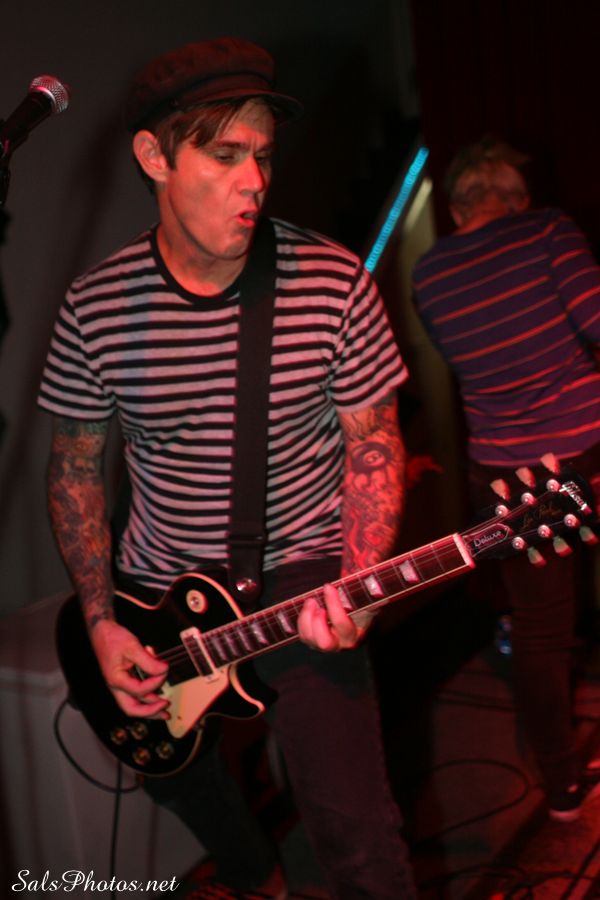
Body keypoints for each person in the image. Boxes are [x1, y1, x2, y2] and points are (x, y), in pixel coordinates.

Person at [38, 37, 417, 899]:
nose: (255, 181)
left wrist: (360, 582)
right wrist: (100, 619)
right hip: (155, 583)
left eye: (264, 156)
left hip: (306, 571)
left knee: (358, 832)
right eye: (224, 154)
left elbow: (373, 442)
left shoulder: (333, 283)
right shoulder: (95, 307)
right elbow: (76, 468)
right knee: (171, 768)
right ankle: (255, 873)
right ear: (154, 158)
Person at [412, 136, 600, 822]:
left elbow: (475, 361)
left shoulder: (429, 274)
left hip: (505, 473)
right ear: (515, 199)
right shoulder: (547, 231)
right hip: (586, 449)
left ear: (459, 204)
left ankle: (562, 787)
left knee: (540, 630)